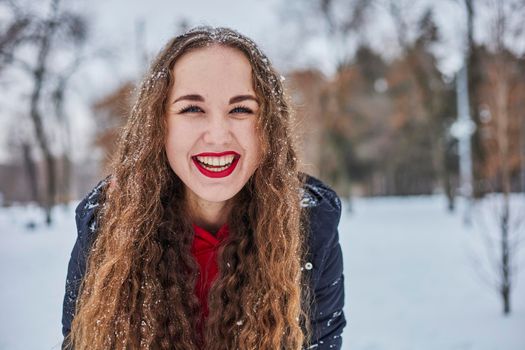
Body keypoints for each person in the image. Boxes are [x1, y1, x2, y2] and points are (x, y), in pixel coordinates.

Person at [61, 26, 345, 350]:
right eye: (192, 109)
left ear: (268, 128)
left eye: (240, 109)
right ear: (159, 125)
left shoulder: (310, 224)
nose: (218, 135)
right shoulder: (108, 221)